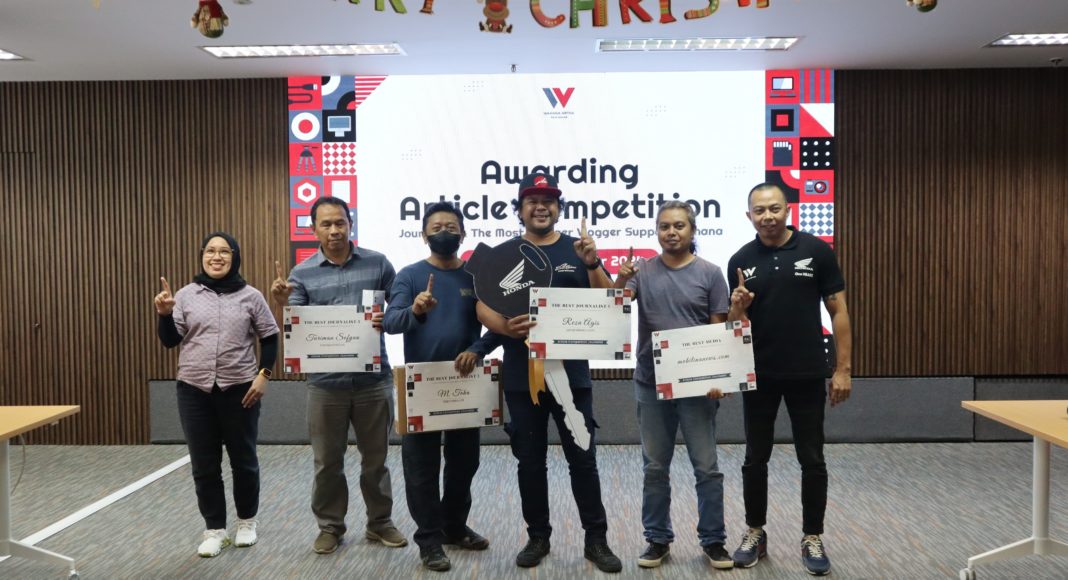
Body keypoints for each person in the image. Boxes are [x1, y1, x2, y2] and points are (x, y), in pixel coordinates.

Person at [475, 173, 623, 573]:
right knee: (529, 462)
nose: (541, 207)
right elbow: (483, 306)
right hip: (522, 380)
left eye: (549, 200)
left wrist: (592, 262)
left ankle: (596, 540)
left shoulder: (579, 250)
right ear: (519, 209)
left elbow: (610, 300)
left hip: (572, 378)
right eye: (532, 200)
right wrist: (505, 328)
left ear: (559, 208)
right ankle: (538, 536)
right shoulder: (504, 254)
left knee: (583, 461)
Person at [726, 183, 852, 576]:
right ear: (749, 216)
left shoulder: (817, 251)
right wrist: (737, 308)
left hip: (807, 372)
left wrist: (842, 369)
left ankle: (812, 536)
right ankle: (755, 532)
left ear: (788, 210)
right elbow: (735, 325)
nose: (767, 217)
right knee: (755, 458)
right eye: (759, 211)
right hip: (759, 373)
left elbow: (839, 311)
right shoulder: (740, 260)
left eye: (774, 208)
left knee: (812, 459)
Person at [271, 197, 407, 555]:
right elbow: (298, 326)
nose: (334, 230)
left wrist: (394, 314)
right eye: (326, 224)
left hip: (373, 381)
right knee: (327, 462)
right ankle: (330, 527)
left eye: (340, 223)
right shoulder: (301, 273)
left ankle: (380, 523)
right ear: (314, 229)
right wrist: (284, 304)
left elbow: (398, 308)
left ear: (350, 224)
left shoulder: (378, 263)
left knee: (376, 460)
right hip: (325, 385)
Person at [614, 201, 734, 570]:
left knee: (707, 467)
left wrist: (717, 376)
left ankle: (714, 541)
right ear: (657, 231)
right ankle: (657, 539)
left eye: (679, 225)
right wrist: (619, 279)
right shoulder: (641, 271)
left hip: (696, 386)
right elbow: (617, 306)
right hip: (651, 383)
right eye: (664, 226)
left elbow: (718, 331)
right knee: (654, 467)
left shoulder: (711, 273)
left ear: (692, 230)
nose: (671, 232)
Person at [383, 201, 501, 572]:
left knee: (464, 462)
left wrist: (478, 349)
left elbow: (499, 323)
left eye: (451, 227)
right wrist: (416, 310)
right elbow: (390, 322)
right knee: (421, 467)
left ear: (463, 234)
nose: (444, 233)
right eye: (436, 228)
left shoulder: (476, 277)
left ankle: (454, 526)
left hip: (467, 383)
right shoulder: (409, 276)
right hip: (422, 386)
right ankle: (430, 540)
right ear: (423, 235)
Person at [154, 231, 278, 557]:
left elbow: (269, 337)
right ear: (202, 256)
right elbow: (170, 340)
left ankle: (247, 522)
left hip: (240, 389)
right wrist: (165, 314)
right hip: (194, 390)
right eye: (210, 251)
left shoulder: (251, 296)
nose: (217, 257)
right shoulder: (185, 295)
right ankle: (215, 530)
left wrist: (263, 375)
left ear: (234, 257)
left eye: (224, 251)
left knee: (244, 461)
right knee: (204, 464)